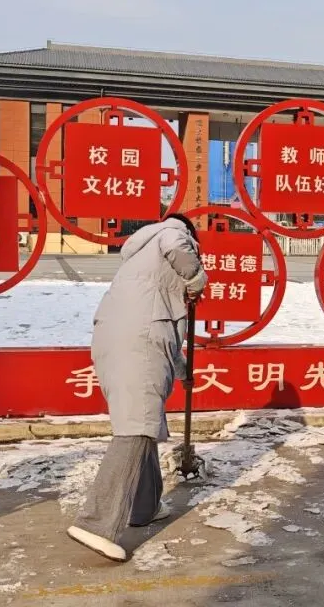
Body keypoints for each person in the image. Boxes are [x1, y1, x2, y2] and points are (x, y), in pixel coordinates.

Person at [67, 214, 208, 562]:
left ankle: (144, 507)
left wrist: (182, 371)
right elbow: (176, 244)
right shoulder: (172, 233)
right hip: (141, 340)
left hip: (113, 338)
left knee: (143, 422)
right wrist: (196, 279)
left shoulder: (139, 260)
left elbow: (160, 331)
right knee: (137, 426)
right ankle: (96, 523)